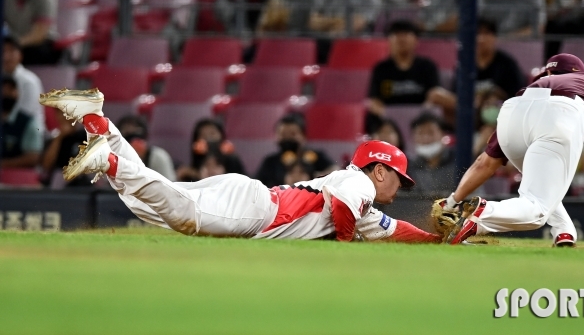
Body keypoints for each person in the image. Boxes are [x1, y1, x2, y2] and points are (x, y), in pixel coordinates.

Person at [39, 87, 442, 242]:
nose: (398, 189)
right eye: (399, 180)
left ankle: (99, 123)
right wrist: (343, 250)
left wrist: (439, 241)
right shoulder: (360, 184)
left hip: (251, 200)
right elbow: (341, 208)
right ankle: (109, 160)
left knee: (151, 205)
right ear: (380, 169)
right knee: (178, 211)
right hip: (257, 211)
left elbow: (395, 232)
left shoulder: (364, 204)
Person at [434, 53, 584, 247]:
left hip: (513, 109)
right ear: (579, 72)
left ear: (548, 75)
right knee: (536, 212)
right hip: (562, 112)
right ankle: (484, 213)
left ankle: (564, 232)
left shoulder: (532, 86)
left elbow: (484, 163)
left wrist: (452, 201)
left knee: (541, 187)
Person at [426, 18, 525, 125]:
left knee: (492, 113)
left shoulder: (507, 63)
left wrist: (493, 99)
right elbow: (456, 95)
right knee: (435, 94)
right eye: (477, 34)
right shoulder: (464, 64)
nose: (481, 38)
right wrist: (474, 102)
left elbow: (517, 94)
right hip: (469, 109)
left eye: (486, 33)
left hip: (494, 113)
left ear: (494, 38)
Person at [367, 20, 440, 117]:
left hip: (421, 120)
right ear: (388, 41)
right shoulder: (381, 68)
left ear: (416, 40)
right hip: (389, 122)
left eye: (406, 34)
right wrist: (387, 117)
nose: (401, 38)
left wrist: (421, 115)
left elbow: (434, 96)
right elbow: (374, 100)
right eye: (396, 34)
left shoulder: (428, 66)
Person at [256, 113, 338, 187]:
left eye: (293, 134)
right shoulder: (270, 162)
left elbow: (335, 171)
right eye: (283, 134)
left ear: (304, 136)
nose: (287, 138)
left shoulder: (317, 156)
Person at [177, 118, 246, 181]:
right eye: (203, 135)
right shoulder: (193, 168)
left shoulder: (232, 159)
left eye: (212, 134)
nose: (208, 138)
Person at [405, 113, 455, 199]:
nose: (426, 139)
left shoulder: (459, 161)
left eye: (431, 133)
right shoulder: (409, 168)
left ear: (443, 134)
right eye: (420, 133)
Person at [3, 36, 45, 133]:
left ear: (20, 55)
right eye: (3, 51)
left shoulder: (30, 81)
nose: (6, 56)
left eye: (11, 51)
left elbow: (24, 116)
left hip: (29, 132)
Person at [117, 115, 176, 181]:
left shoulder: (159, 157)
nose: (134, 143)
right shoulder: (115, 158)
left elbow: (170, 186)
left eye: (137, 137)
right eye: (128, 137)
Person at [41, 109, 92, 187]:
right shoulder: (52, 140)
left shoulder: (86, 137)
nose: (65, 117)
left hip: (82, 186)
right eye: (61, 113)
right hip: (58, 186)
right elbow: (46, 166)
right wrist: (59, 138)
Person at [2, 75, 42, 169]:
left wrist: (3, 164)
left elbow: (33, 158)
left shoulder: (28, 123)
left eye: (10, 90)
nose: (5, 93)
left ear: (17, 93)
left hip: (17, 177)